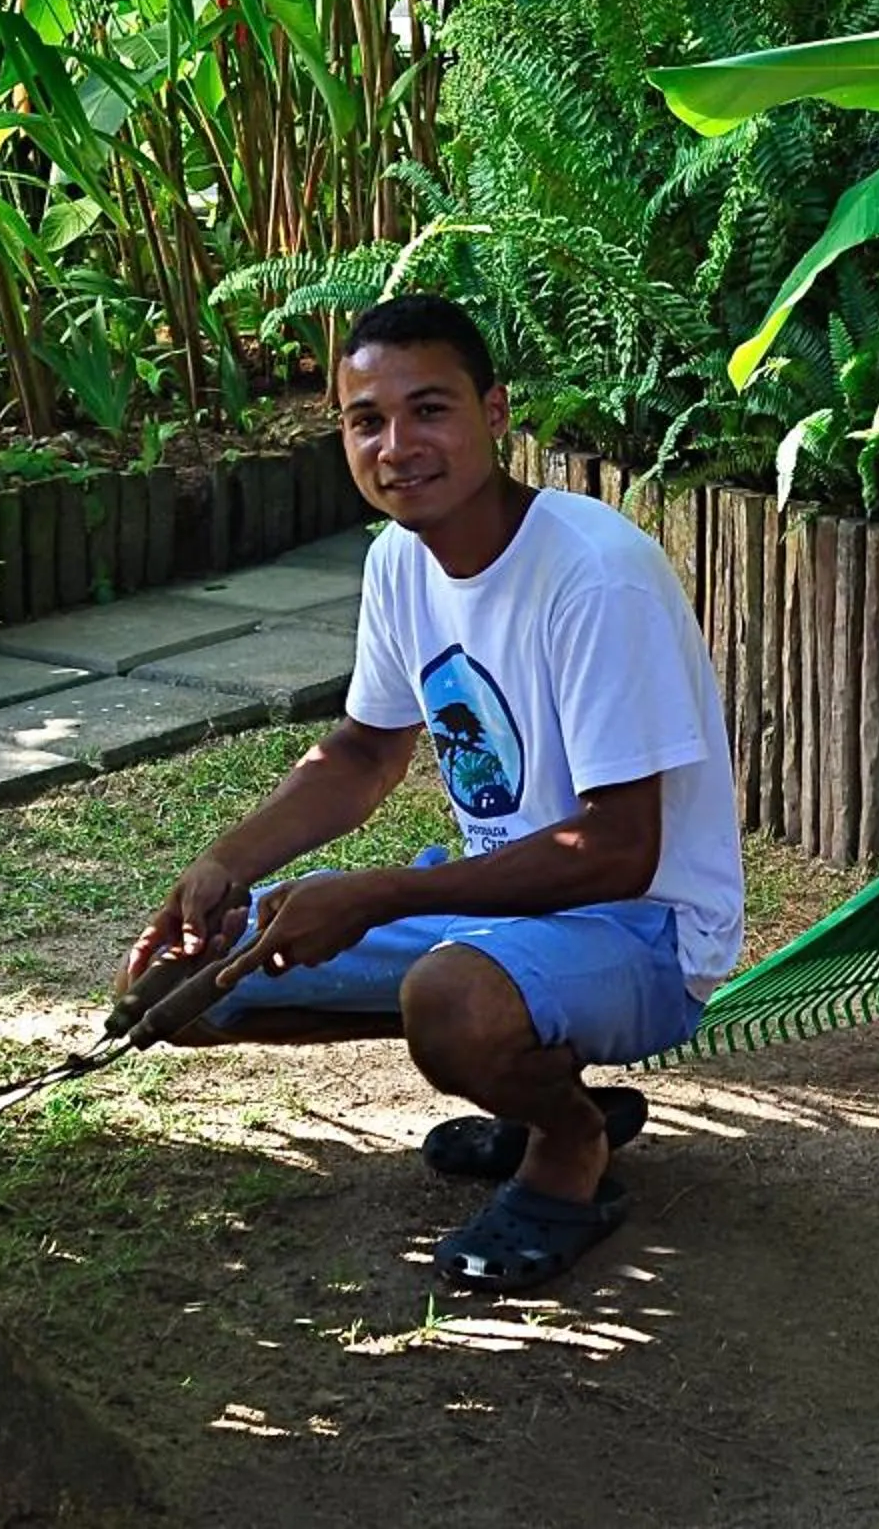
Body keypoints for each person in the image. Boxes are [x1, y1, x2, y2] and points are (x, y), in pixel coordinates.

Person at [123, 294, 743, 1294]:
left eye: (429, 410)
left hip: (647, 933)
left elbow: (622, 849)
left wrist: (378, 894)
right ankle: (542, 1073)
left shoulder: (594, 575)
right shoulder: (398, 560)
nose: (397, 446)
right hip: (500, 921)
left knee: (449, 1002)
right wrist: (226, 862)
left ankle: (567, 1140)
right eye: (367, 420)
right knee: (173, 992)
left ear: (495, 413)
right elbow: (365, 752)